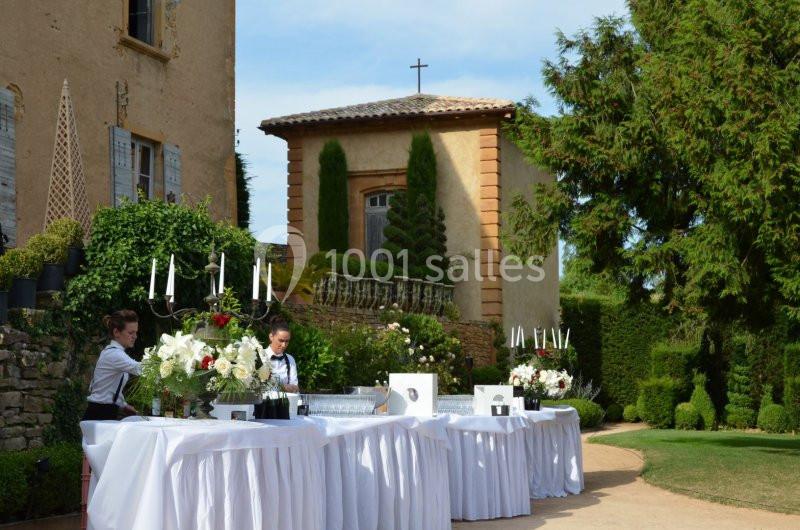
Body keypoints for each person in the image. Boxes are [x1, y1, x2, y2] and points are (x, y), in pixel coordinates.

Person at [82, 310, 143, 421]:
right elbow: (140, 369)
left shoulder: (114, 352)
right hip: (99, 413)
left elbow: (111, 390)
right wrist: (165, 363)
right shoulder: (114, 354)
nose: (135, 336)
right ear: (116, 332)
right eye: (131, 333)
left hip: (104, 411)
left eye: (136, 332)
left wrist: (124, 405)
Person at [262, 316, 299, 392]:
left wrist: (292, 388)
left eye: (287, 341)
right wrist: (283, 387)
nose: (284, 345)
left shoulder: (290, 359)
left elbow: (295, 388)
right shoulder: (260, 355)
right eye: (281, 340)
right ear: (271, 337)